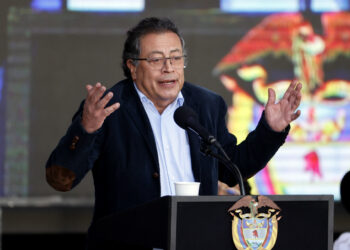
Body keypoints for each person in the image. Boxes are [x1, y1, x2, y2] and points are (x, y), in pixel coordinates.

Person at [45, 17, 302, 248]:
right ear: (133, 67)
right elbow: (61, 179)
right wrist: (86, 130)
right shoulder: (108, 109)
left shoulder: (206, 105)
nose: (169, 68)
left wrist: (271, 130)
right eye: (156, 60)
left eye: (176, 58)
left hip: (197, 242)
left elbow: (232, 168)